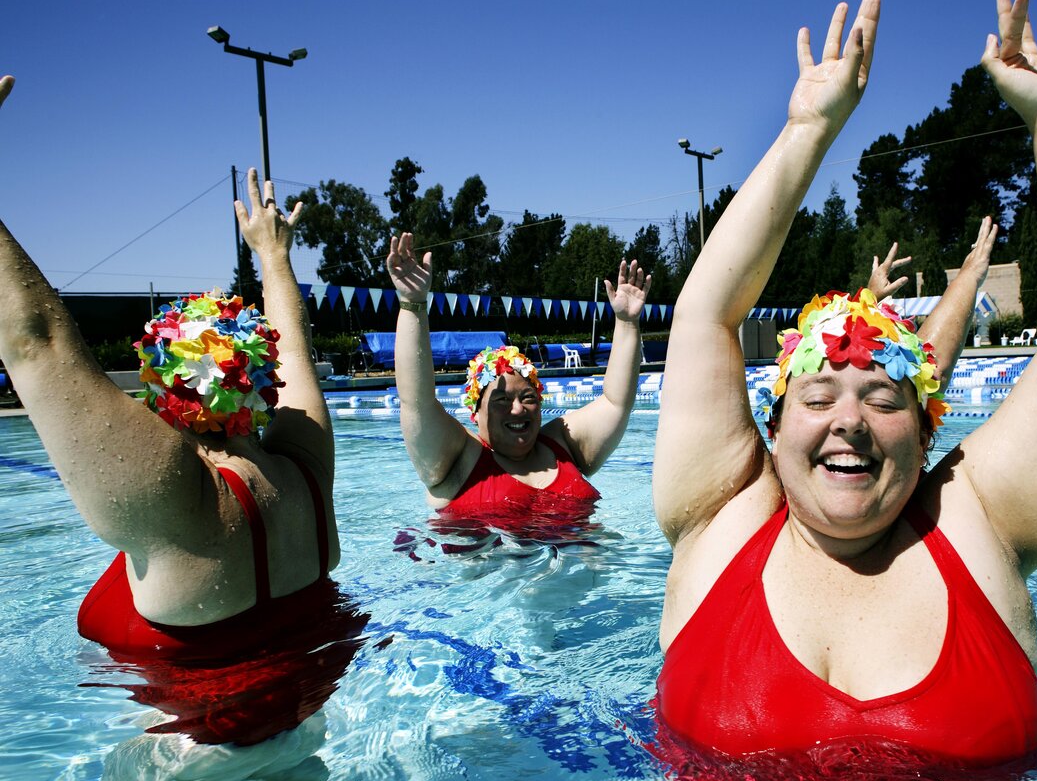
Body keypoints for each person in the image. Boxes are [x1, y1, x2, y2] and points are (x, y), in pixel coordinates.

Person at [654, 0, 1037, 781]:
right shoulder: (719, 518)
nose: (848, 421)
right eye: (819, 394)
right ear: (772, 428)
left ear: (927, 428)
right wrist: (808, 132)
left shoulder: (983, 527)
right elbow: (705, 313)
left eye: (882, 398)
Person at [0, 75, 364, 745]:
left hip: (194, 772)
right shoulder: (306, 467)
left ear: (161, 393)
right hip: (310, 728)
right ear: (261, 378)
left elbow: (39, 346)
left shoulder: (175, 494)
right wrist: (273, 257)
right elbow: (300, 361)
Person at [387, 231, 650, 530]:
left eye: (528, 398)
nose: (518, 409)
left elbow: (616, 402)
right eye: (501, 400)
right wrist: (412, 305)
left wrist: (627, 323)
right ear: (477, 412)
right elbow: (417, 402)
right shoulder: (457, 459)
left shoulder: (563, 444)